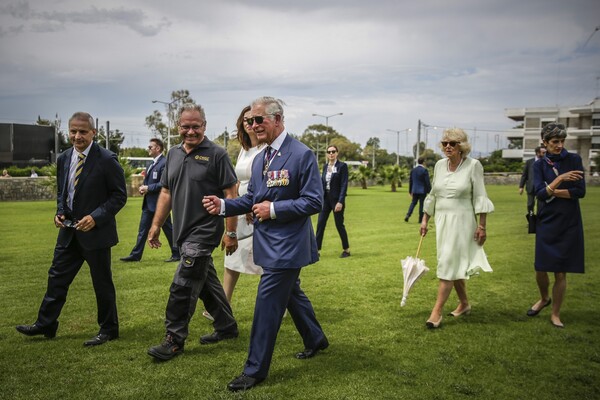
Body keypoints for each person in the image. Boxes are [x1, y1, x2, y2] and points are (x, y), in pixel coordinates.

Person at [203, 96, 328, 392]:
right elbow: (251, 199)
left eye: (259, 120)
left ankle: (254, 369)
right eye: (250, 121)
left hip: (288, 247)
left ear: (278, 119)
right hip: (267, 243)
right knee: (292, 295)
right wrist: (223, 205)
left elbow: (314, 200)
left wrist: (273, 210)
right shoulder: (261, 158)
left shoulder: (302, 154)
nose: (254, 125)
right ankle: (316, 339)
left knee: (267, 304)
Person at [16, 112, 127, 346]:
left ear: (94, 133)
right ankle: (46, 324)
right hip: (68, 232)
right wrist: (60, 211)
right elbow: (62, 193)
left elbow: (119, 196)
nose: (77, 136)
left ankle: (109, 329)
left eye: (83, 132)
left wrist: (95, 217)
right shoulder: (65, 158)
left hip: (96, 234)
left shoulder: (107, 159)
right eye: (73, 131)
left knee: (102, 283)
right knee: (56, 278)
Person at [146, 103, 239, 361]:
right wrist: (156, 225)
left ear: (204, 126)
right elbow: (166, 191)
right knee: (206, 282)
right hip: (183, 232)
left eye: (195, 127)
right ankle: (227, 327)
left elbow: (231, 194)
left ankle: (173, 340)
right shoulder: (173, 155)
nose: (190, 132)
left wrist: (230, 233)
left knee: (183, 285)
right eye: (185, 127)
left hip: (205, 230)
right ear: (178, 127)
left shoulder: (217, 154)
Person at [420, 128, 494, 329]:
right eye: (444, 143)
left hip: (462, 222)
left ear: (462, 146)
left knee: (448, 264)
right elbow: (433, 194)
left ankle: (436, 312)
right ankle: (464, 304)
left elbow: (480, 195)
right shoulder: (439, 165)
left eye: (452, 143)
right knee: (454, 263)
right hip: (442, 222)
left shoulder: (474, 166)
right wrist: (425, 219)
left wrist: (482, 226)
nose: (447, 147)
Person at [202, 106, 264, 322]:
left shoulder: (266, 148)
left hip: (258, 209)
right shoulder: (244, 148)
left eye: (253, 119)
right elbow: (237, 179)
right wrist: (237, 203)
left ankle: (282, 302)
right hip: (239, 207)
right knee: (232, 257)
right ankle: (223, 305)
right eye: (245, 120)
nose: (249, 123)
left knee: (267, 260)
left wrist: (251, 206)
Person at [527, 123, 585, 328]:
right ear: (545, 143)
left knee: (561, 270)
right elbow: (539, 194)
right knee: (541, 267)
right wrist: (560, 179)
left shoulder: (574, 160)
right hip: (547, 220)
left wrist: (552, 190)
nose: (559, 145)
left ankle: (555, 313)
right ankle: (544, 298)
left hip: (568, 221)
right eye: (555, 142)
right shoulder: (539, 164)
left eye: (562, 141)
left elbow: (579, 192)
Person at [120, 138, 180, 263]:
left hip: (160, 204)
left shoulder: (164, 163)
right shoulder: (151, 164)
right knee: (142, 230)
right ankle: (136, 255)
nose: (148, 149)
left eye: (150, 147)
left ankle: (177, 253)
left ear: (158, 148)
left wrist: (148, 188)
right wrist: (144, 188)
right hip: (148, 203)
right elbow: (150, 182)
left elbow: (164, 184)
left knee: (169, 230)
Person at [315, 145, 351, 258]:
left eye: (333, 151)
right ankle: (316, 251)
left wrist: (340, 201)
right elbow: (322, 183)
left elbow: (344, 184)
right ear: (327, 154)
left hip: (336, 200)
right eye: (329, 152)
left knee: (339, 225)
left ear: (337, 153)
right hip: (326, 199)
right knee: (320, 224)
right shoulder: (325, 166)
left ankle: (346, 250)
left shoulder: (342, 166)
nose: (331, 154)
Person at [519, 145, 546, 214]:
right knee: (530, 204)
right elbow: (524, 175)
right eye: (542, 152)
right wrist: (521, 187)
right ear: (537, 153)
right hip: (531, 186)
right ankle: (531, 219)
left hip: (542, 187)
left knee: (541, 205)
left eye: (545, 152)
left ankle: (540, 220)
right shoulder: (529, 162)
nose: (544, 154)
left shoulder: (546, 162)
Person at [404, 157, 431, 223]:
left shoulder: (413, 170)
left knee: (413, 203)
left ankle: (408, 215)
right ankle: (420, 219)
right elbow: (427, 181)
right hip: (422, 190)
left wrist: (410, 191)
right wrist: (430, 190)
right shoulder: (424, 170)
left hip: (415, 189)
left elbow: (411, 181)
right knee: (421, 205)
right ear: (423, 162)